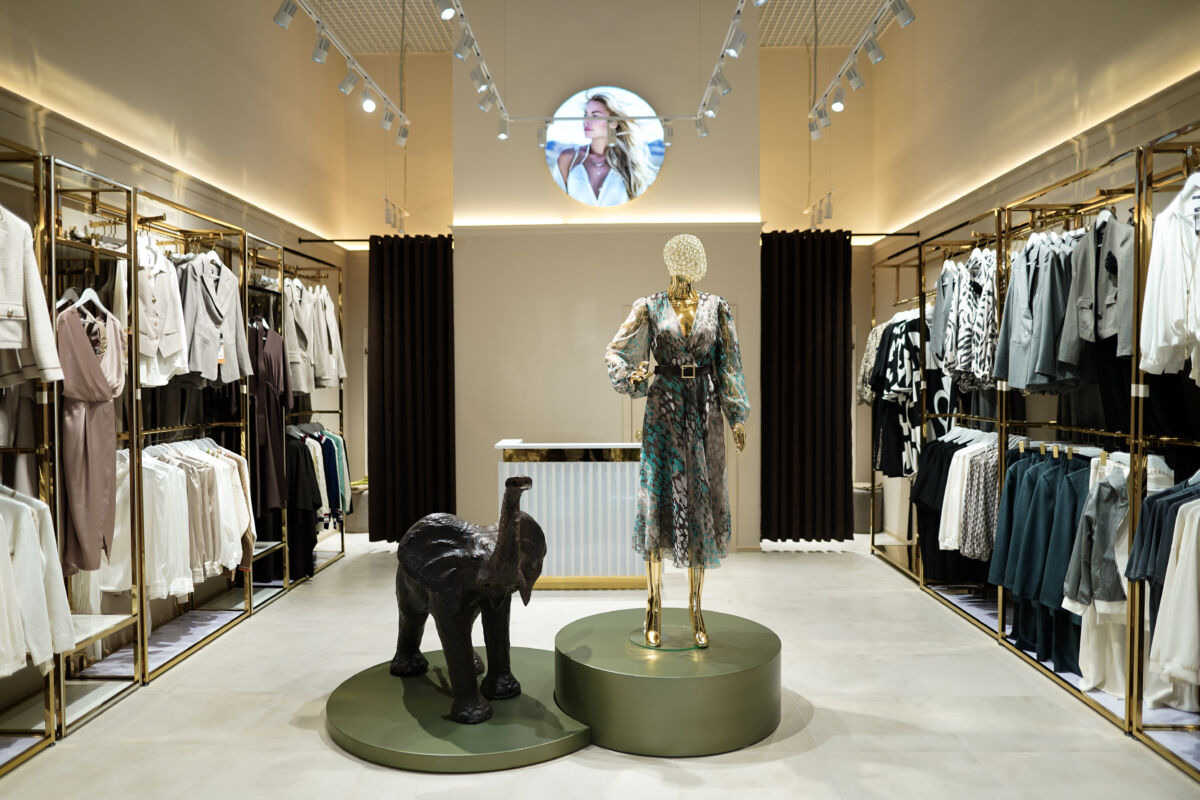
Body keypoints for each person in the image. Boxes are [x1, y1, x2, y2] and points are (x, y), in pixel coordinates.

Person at [604, 234, 749, 648]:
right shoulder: (649, 307)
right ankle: (653, 605)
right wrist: (635, 377)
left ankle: (695, 608)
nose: (687, 266)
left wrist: (737, 415)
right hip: (664, 408)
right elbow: (615, 352)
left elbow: (729, 365)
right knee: (658, 499)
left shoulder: (716, 307)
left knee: (699, 502)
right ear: (671, 261)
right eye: (681, 259)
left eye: (693, 259)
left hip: (704, 409)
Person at [554, 93, 655, 207]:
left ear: (613, 123)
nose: (586, 121)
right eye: (585, 114)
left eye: (595, 116)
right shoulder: (569, 159)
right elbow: (557, 203)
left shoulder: (628, 162)